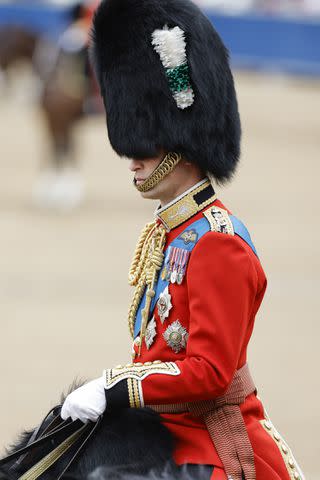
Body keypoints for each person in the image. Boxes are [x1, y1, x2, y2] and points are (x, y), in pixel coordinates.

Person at [61, 0, 305, 479]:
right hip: (162, 425)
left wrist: (115, 388)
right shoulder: (170, 231)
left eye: (144, 145)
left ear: (182, 145)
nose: (132, 159)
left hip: (213, 439)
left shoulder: (217, 241)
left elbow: (210, 373)